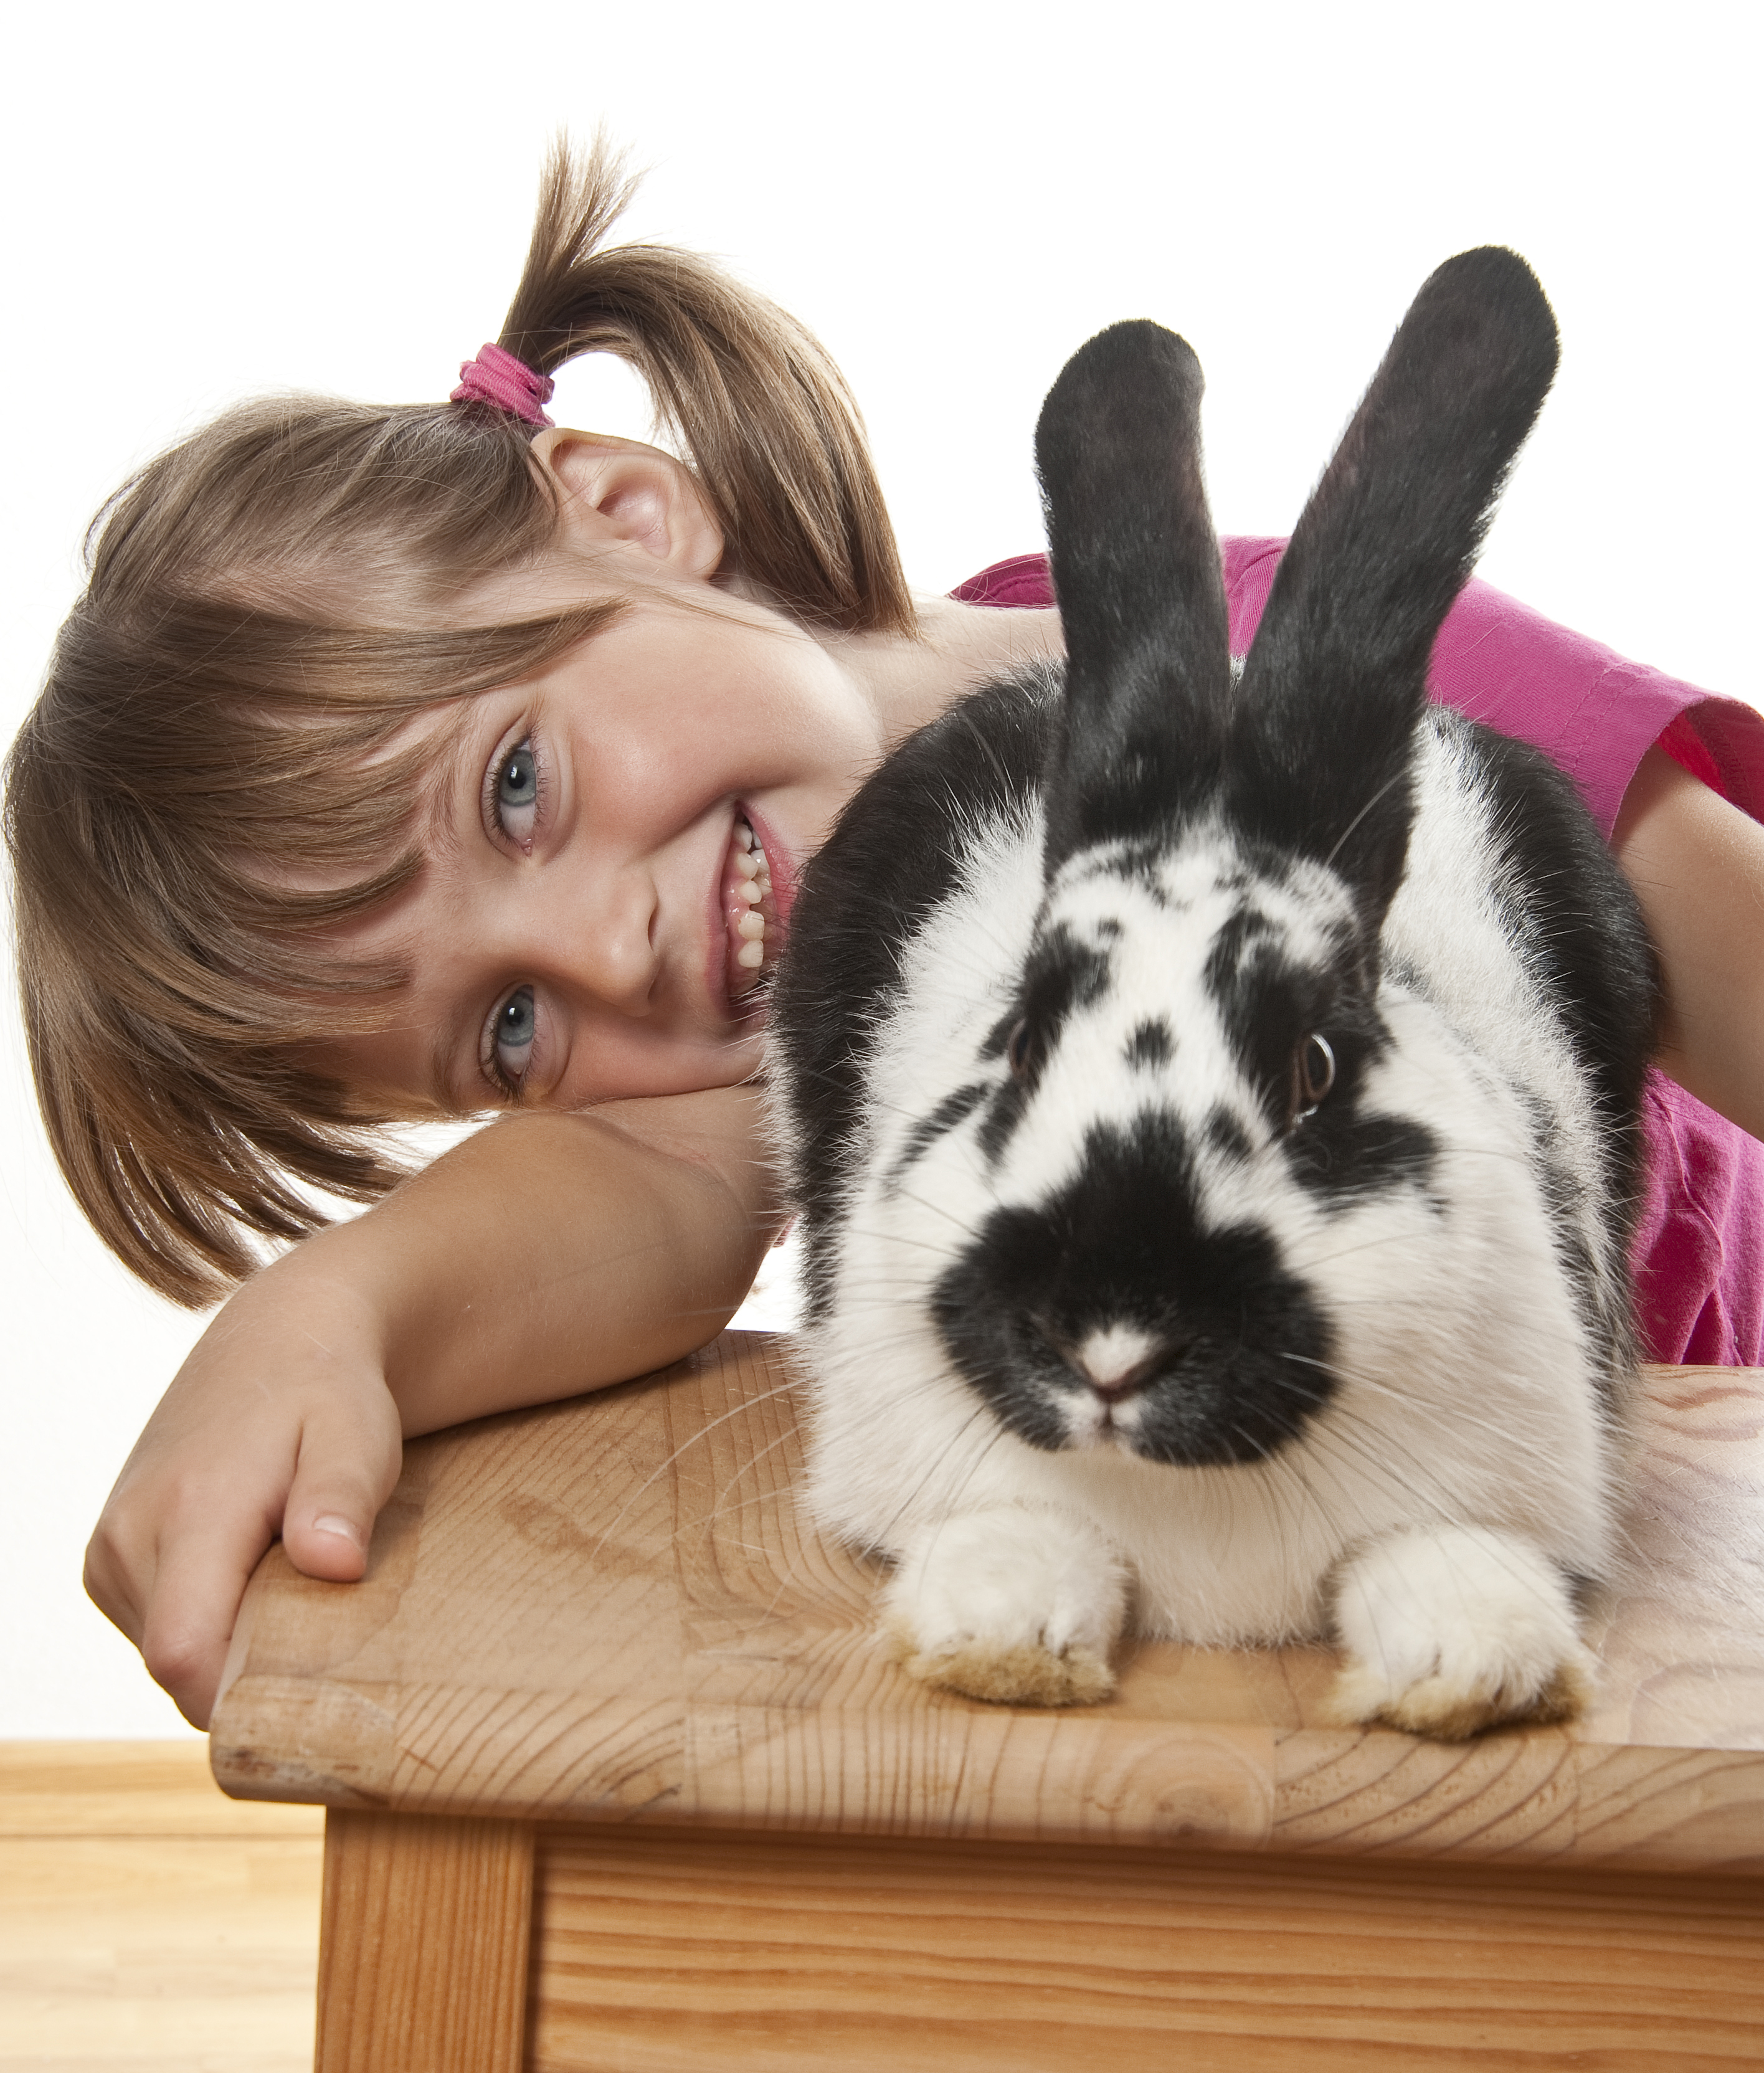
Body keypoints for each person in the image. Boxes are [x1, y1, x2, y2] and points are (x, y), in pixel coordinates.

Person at [9, 142, 1763, 1730]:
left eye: (518, 788)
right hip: (1262, 1612)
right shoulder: (811, 989)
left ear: (628, 512)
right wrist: (328, 1314)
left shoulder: (1370, 711)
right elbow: (649, 1201)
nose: (609, 954)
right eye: (511, 1034)